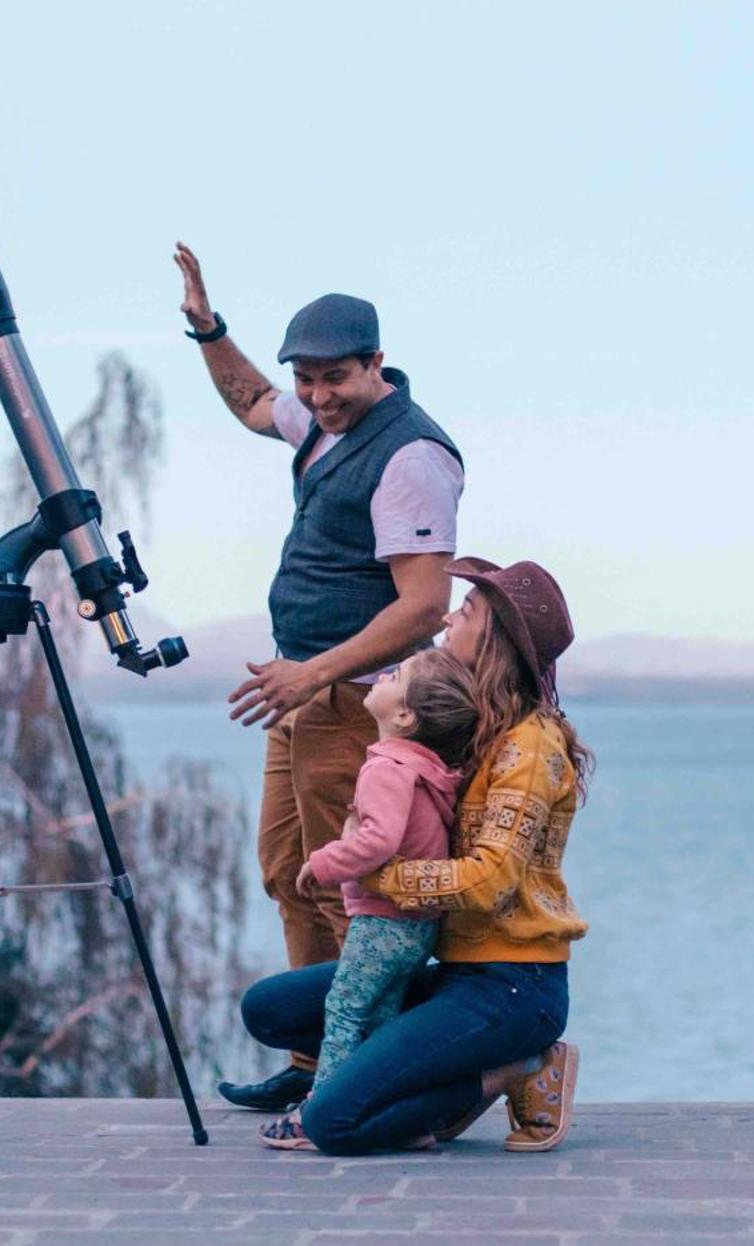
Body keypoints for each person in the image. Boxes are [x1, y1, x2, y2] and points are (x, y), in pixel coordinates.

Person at [173, 243, 467, 1112]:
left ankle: (364, 1072)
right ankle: (313, 1060)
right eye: (308, 378)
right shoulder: (323, 425)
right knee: (288, 869)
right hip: (301, 694)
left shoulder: (412, 456)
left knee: (357, 900)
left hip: (356, 706)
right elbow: (253, 402)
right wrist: (207, 328)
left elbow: (423, 605)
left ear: (378, 363)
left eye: (335, 377)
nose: (317, 395)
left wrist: (316, 676)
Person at [239, 559, 592, 1154]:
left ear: (496, 640)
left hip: (512, 984)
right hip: (452, 968)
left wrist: (374, 870)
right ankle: (423, 1072)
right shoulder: (468, 722)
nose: (450, 616)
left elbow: (489, 883)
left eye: (469, 611)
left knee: (333, 1123)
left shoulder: (529, 746)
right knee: (270, 1010)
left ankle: (515, 1069)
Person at [257, 648, 478, 1151]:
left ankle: (317, 1111)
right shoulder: (427, 769)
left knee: (343, 1007)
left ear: (404, 715)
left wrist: (324, 863)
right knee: (381, 1017)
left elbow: (378, 840)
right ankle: (399, 1117)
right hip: (417, 926)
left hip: (382, 922)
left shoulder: (387, 768)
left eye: (395, 674)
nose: (381, 675)